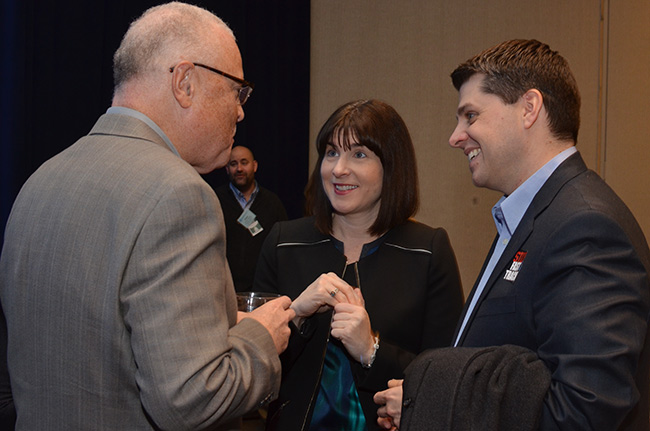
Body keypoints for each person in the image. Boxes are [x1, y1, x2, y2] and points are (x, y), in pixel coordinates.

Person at [0, 2, 295, 430]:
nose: (241, 110)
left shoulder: (39, 181)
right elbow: (192, 400)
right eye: (237, 89)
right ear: (185, 82)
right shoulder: (179, 195)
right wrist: (260, 337)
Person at [374, 39, 650, 430]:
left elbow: (583, 410)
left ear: (529, 108)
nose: (456, 136)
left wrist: (431, 401)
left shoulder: (584, 227)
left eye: (470, 115)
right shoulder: (537, 214)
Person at [254, 99, 465, 430]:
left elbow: (446, 379)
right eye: (331, 152)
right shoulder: (284, 242)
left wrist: (371, 349)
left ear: (391, 166)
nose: (338, 169)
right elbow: (251, 370)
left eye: (359, 154)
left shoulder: (427, 250)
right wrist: (296, 315)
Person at [216, 145, 288, 292]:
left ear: (254, 166)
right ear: (227, 169)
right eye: (233, 164)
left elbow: (283, 248)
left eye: (244, 162)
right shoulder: (215, 200)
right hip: (223, 290)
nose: (239, 169)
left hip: (263, 290)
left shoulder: (272, 203)